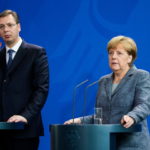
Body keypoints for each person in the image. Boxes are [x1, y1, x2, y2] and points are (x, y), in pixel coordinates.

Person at [64, 35, 150, 150]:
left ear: (130, 57)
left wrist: (132, 117)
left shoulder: (141, 76)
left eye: (119, 53)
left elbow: (144, 104)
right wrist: (79, 120)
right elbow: (102, 116)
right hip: (106, 143)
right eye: (111, 53)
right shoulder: (103, 80)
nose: (113, 57)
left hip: (132, 144)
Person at [0, 10, 49, 150]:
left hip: (25, 131)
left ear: (19, 27)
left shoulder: (36, 53)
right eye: (1, 26)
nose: (6, 30)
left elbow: (41, 89)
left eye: (10, 25)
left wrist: (25, 116)